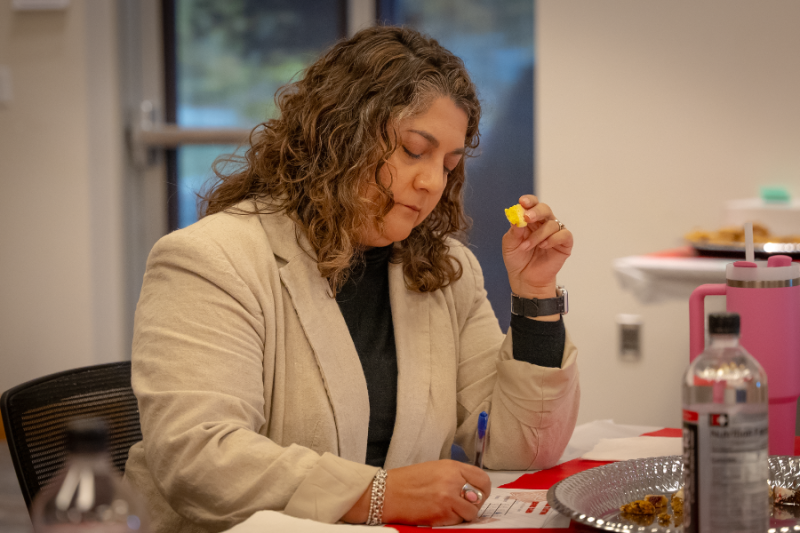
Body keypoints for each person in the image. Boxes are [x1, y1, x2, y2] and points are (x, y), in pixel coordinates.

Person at [124, 25, 579, 533]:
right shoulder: (210, 259)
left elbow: (516, 444)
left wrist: (535, 292)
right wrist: (378, 495)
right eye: (413, 150)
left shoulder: (443, 268)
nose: (432, 182)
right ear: (341, 135)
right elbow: (199, 457)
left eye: (448, 164)